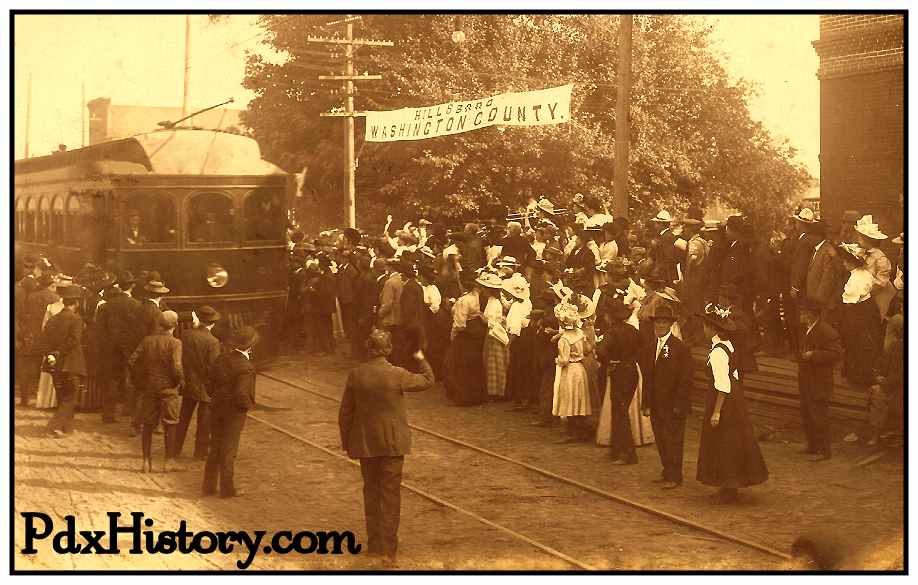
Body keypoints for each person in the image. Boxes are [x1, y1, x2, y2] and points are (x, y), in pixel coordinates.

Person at [338, 329, 435, 566]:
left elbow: (345, 413)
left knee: (370, 493)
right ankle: (389, 551)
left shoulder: (356, 375)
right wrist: (421, 358)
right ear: (389, 349)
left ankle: (374, 545)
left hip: (365, 444)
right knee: (390, 496)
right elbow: (428, 380)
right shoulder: (398, 374)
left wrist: (347, 443)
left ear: (368, 349)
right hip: (392, 444)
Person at [696, 303, 769, 504]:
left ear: (713, 329)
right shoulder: (728, 346)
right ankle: (730, 485)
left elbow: (723, 384)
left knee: (725, 442)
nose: (703, 329)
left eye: (705, 326)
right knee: (732, 442)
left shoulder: (718, 352)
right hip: (735, 398)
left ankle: (728, 487)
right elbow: (734, 374)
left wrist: (717, 412)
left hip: (724, 399)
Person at [639, 303, 693, 489]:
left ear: (670, 325)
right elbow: (648, 378)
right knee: (661, 439)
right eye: (657, 322)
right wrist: (645, 403)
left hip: (672, 405)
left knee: (673, 440)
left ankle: (675, 476)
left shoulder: (680, 348)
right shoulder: (650, 347)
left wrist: (679, 404)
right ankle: (666, 471)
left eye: (663, 323)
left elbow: (685, 379)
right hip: (655, 403)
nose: (659, 326)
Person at [203, 326, 258, 497]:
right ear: (249, 347)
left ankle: (208, 487)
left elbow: (209, 383)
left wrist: (216, 398)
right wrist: (245, 407)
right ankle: (227, 489)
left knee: (215, 447)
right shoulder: (246, 367)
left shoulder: (221, 358)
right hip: (234, 413)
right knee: (229, 450)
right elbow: (242, 393)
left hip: (216, 408)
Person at [129, 310, 185, 473]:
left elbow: (132, 361)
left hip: (149, 388)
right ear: (174, 326)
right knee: (170, 423)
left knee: (148, 424)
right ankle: (169, 461)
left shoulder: (147, 341)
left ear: (159, 324)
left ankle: (146, 461)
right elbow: (176, 366)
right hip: (168, 389)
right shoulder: (175, 343)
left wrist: (139, 380)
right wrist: (179, 381)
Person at [595, 291, 643, 464]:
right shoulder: (632, 330)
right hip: (632, 372)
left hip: (619, 373)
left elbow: (600, 351)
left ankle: (628, 454)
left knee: (620, 412)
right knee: (621, 410)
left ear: (609, 316)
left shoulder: (612, 332)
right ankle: (616, 450)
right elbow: (643, 348)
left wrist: (609, 361)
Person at [174, 306, 222, 460]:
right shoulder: (213, 342)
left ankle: (175, 449)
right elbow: (213, 367)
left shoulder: (186, 335)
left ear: (199, 320)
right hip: (205, 387)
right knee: (204, 422)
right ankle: (199, 453)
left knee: (183, 419)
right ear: (212, 324)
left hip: (188, 384)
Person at [797, 304, 842, 461]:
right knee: (807, 413)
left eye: (803, 312)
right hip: (806, 379)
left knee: (819, 415)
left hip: (820, 380)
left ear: (811, 314)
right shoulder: (807, 328)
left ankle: (825, 451)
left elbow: (835, 354)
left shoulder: (826, 331)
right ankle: (813, 446)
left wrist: (813, 355)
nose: (801, 315)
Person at [41, 285, 87, 436]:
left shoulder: (53, 320)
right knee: (70, 398)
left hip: (54, 363)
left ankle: (66, 428)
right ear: (76, 302)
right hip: (70, 363)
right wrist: (60, 352)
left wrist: (52, 354)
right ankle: (53, 427)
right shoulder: (76, 319)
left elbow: (45, 340)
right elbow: (74, 341)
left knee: (62, 396)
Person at [96, 270, 142, 423]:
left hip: (111, 347)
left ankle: (108, 414)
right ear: (132, 286)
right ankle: (129, 410)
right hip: (130, 347)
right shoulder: (136, 305)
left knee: (112, 380)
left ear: (118, 286)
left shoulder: (106, 306)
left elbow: (100, 329)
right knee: (131, 378)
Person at [836, 243, 881, 393]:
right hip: (869, 308)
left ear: (851, 262)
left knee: (857, 341)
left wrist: (845, 317)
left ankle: (858, 377)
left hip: (858, 312)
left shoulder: (855, 278)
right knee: (864, 342)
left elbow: (850, 301)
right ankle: (857, 372)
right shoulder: (865, 273)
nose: (843, 263)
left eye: (845, 261)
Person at [445, 272, 491, 406]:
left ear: (462, 284)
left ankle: (463, 396)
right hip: (477, 332)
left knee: (456, 365)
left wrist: (453, 336)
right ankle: (477, 395)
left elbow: (460, 324)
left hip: (465, 335)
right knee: (475, 364)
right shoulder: (476, 295)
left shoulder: (463, 301)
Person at [552, 300, 593, 442]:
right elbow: (588, 350)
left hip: (569, 370)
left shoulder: (564, 339)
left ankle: (572, 433)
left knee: (569, 400)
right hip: (580, 370)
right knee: (579, 399)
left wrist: (557, 360)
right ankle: (581, 431)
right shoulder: (580, 334)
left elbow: (563, 359)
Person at [20, 273, 60, 407]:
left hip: (31, 336)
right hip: (46, 337)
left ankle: (25, 398)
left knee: (27, 367)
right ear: (51, 285)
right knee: (45, 369)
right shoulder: (55, 298)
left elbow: (25, 316)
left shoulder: (31, 297)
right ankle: (42, 398)